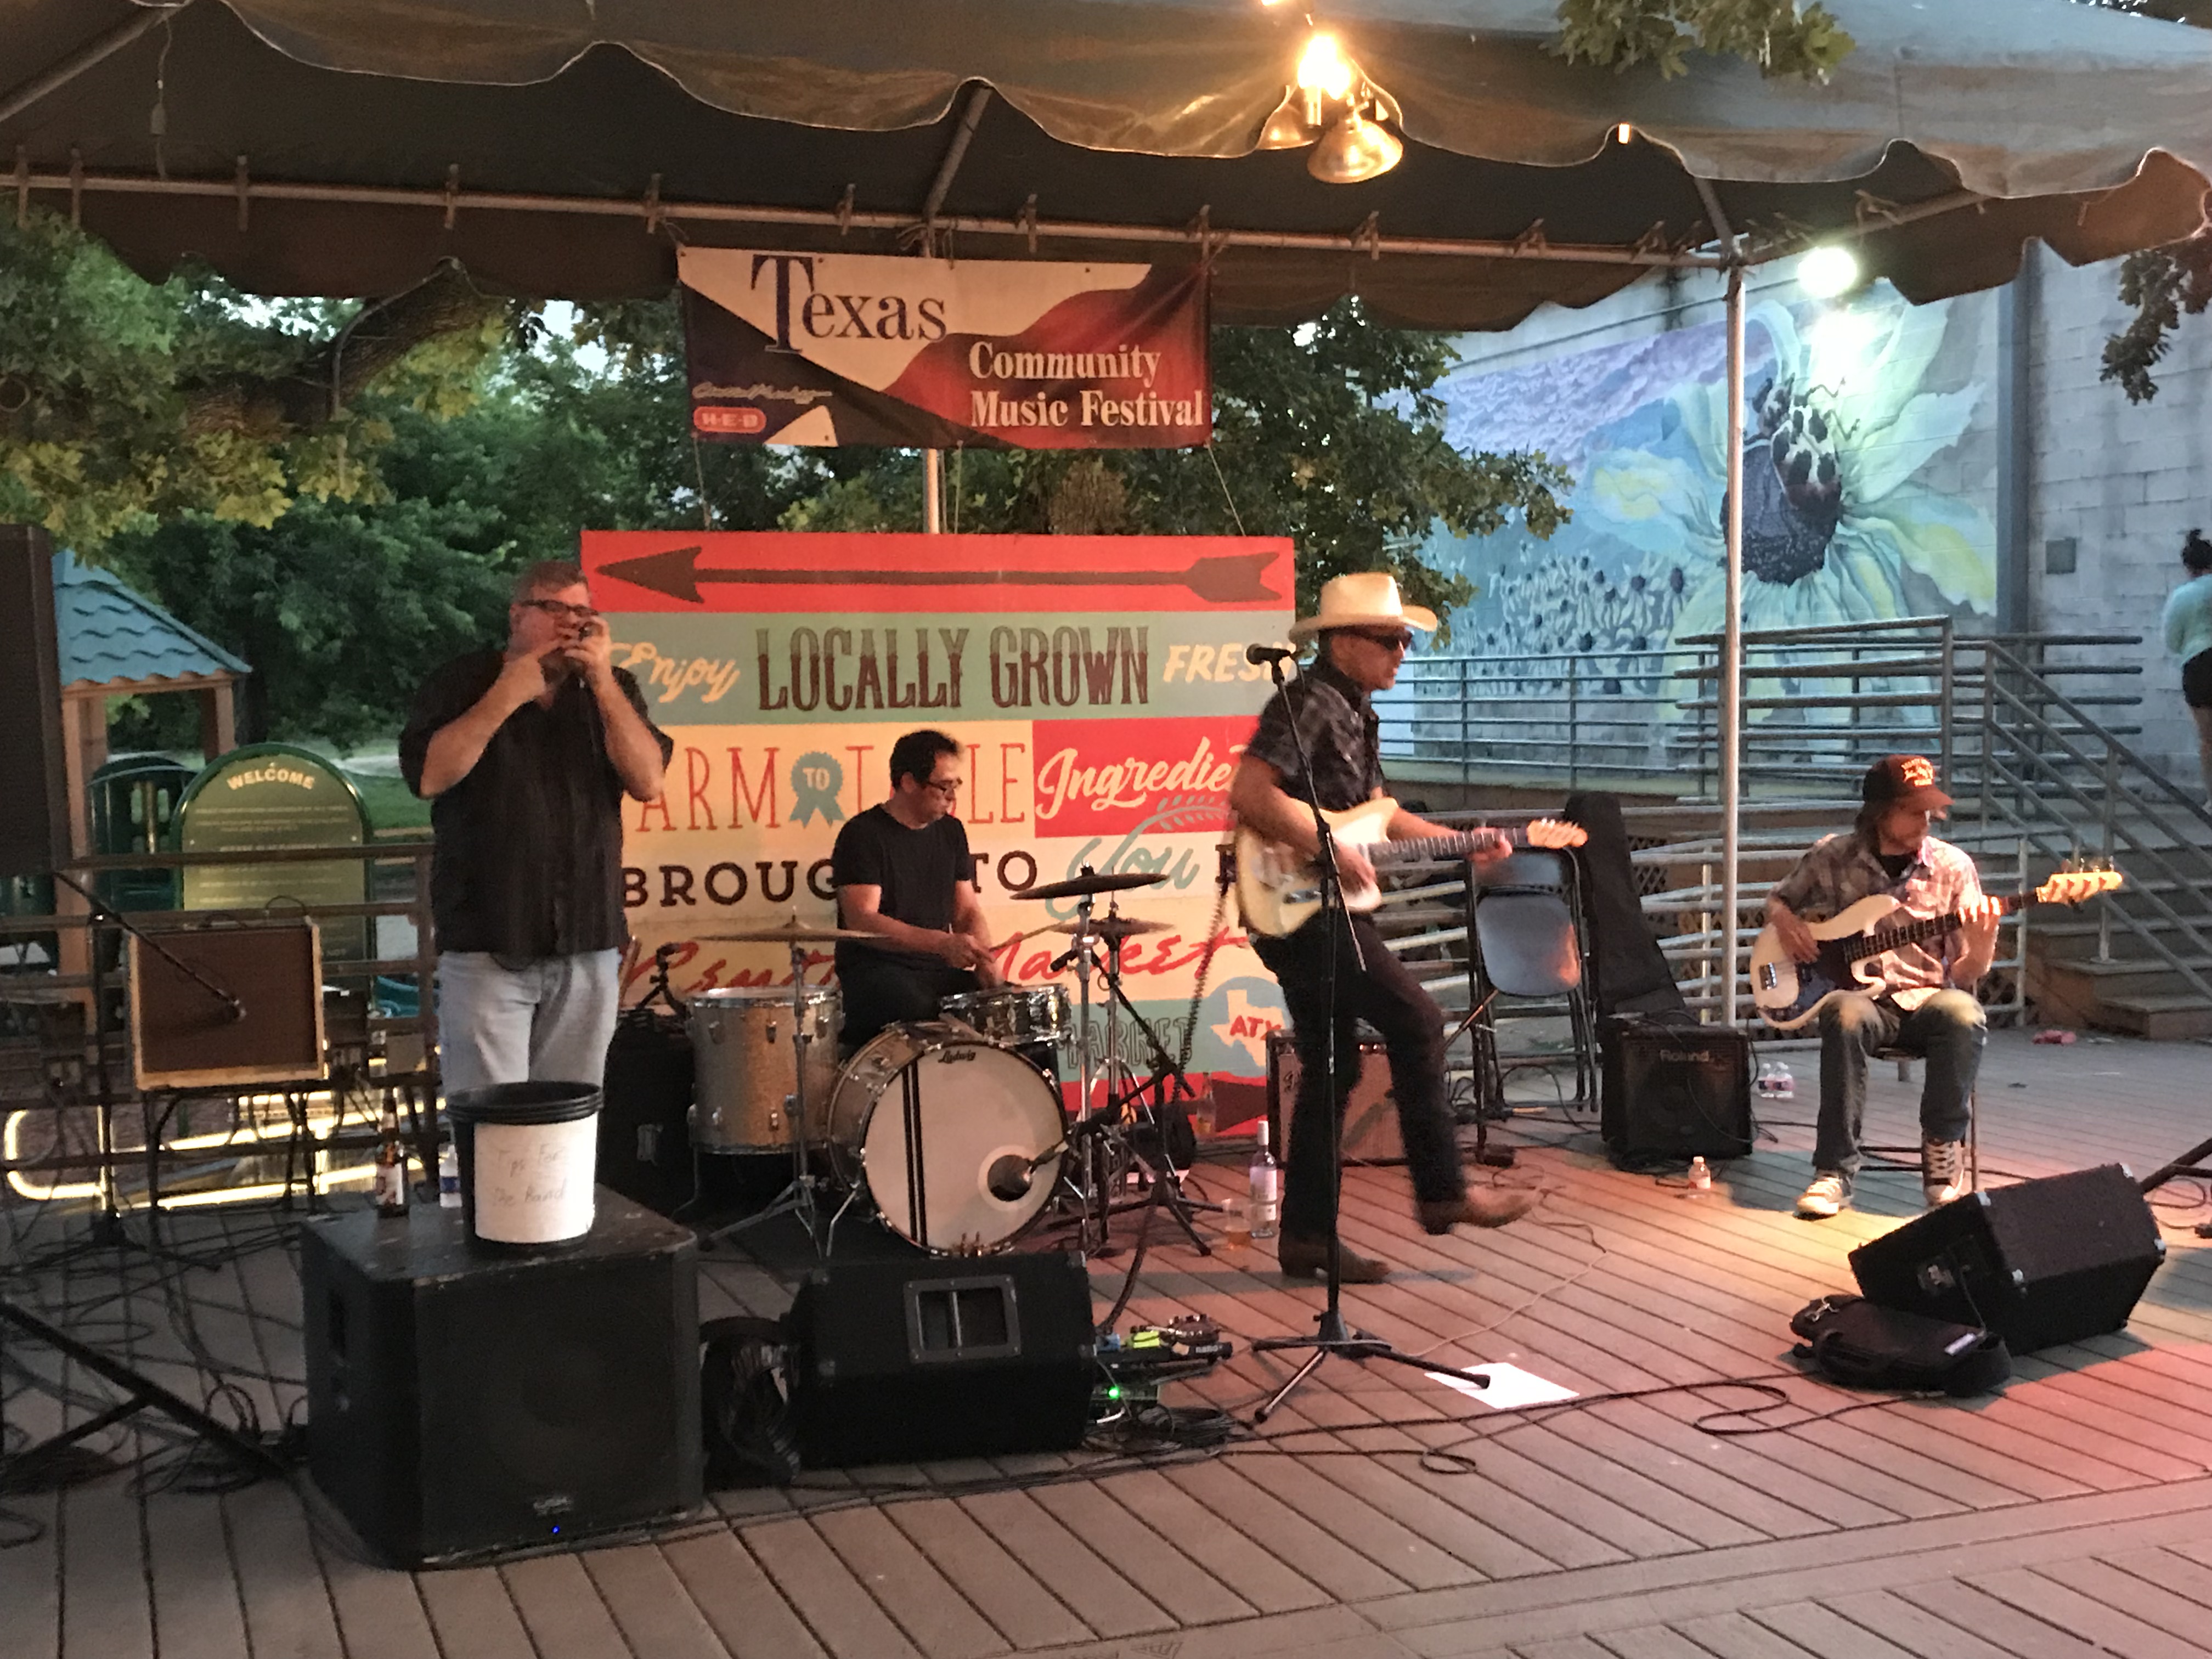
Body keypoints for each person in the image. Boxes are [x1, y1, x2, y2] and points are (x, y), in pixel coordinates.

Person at [1228, 572, 1539, 1284]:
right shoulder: (1310, 701)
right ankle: (1442, 1192)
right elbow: (1249, 792)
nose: (1403, 652)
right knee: (1418, 1020)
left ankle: (1308, 1239)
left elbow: (1379, 815)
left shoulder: (1355, 712)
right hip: (1304, 908)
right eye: (1390, 640)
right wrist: (1323, 844)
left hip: (1313, 907)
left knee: (1332, 1066)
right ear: (1343, 642)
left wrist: (1464, 843)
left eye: (1405, 640)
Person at [402, 559, 672, 1094]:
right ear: (517, 614)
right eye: (554, 609)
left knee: (571, 1120)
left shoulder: (611, 689)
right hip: (488, 940)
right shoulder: (462, 682)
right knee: (492, 1119)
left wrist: (602, 682)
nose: (571, 623)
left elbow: (648, 782)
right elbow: (431, 776)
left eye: (583, 613)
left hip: (586, 941)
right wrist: (507, 694)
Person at [1765, 755, 2001, 1220]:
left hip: (1929, 998)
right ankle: (1834, 1172)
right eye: (1913, 811)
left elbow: (1966, 975)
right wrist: (1786, 922)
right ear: (1879, 813)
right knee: (1844, 1014)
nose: (1925, 822)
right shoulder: (1833, 855)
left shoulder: (1953, 866)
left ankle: (1942, 1148)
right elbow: (1778, 899)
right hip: (1863, 999)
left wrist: (1984, 940)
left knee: (1965, 1014)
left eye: (1930, 811)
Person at [832, 729, 1002, 1053]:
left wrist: (985, 958)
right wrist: (942, 943)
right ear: (909, 782)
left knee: (1015, 1011)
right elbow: (862, 919)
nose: (952, 797)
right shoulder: (863, 834)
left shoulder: (952, 831)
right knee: (922, 1010)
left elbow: (966, 910)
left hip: (936, 971)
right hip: (876, 974)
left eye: (956, 786)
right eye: (943, 786)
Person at [2161, 526, 2212, 810]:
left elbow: (2172, 640)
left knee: (2208, 738)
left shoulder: (2183, 596)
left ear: (2189, 567)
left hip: (2199, 664)